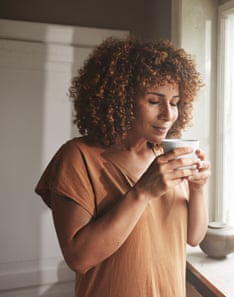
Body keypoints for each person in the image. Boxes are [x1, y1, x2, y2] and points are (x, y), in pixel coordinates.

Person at [35, 37, 210, 297]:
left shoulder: (168, 155)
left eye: (174, 102)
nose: (168, 114)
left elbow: (193, 237)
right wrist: (143, 193)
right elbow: (79, 258)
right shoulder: (78, 157)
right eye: (154, 101)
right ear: (120, 100)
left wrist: (197, 189)